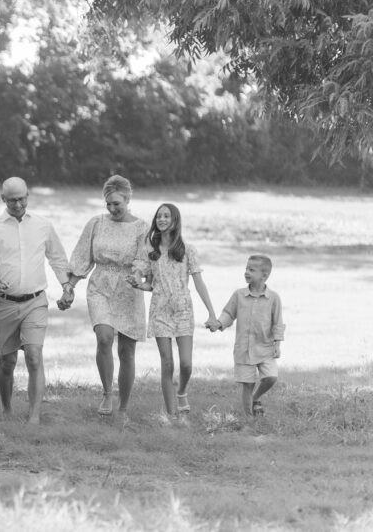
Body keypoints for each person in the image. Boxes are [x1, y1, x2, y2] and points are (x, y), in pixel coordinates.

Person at [0, 177, 74, 425]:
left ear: (28, 196)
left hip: (35, 301)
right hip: (5, 303)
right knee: (7, 361)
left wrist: (67, 287)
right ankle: (7, 409)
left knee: (34, 355)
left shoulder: (42, 225)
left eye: (22, 198)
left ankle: (34, 417)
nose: (18, 204)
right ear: (3, 199)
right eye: (12, 200)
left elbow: (57, 258)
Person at [68, 175, 148, 427]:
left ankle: (123, 407)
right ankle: (106, 393)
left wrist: (137, 275)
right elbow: (82, 256)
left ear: (127, 199)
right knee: (104, 336)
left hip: (128, 288)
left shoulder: (142, 228)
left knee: (127, 350)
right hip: (100, 285)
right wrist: (70, 286)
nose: (112, 209)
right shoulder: (96, 224)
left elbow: (144, 259)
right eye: (108, 204)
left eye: (117, 204)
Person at [128, 203, 218, 425]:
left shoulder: (187, 249)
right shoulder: (152, 250)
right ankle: (172, 415)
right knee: (167, 363)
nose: (162, 219)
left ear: (175, 220)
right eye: (159, 216)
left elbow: (199, 283)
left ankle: (182, 392)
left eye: (166, 216)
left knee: (186, 364)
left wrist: (212, 313)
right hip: (160, 310)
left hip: (183, 310)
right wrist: (138, 284)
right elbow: (150, 285)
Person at [208, 255, 285, 419]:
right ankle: (249, 420)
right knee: (247, 385)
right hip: (243, 349)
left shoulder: (274, 298)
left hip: (265, 348)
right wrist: (219, 324)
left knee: (271, 377)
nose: (246, 272)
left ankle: (256, 398)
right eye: (246, 268)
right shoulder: (239, 295)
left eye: (251, 270)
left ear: (264, 276)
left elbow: (278, 323)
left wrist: (277, 345)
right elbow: (229, 313)